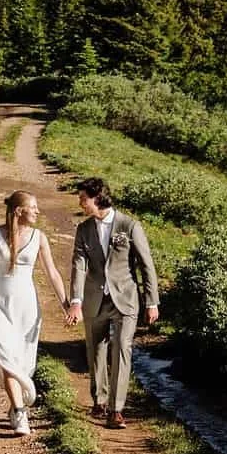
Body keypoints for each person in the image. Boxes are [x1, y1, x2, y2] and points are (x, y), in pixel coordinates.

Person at [0, 190, 67, 435]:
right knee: (6, 357)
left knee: (21, 361)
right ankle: (19, 412)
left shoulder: (39, 237)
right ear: (19, 211)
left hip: (26, 307)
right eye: (33, 207)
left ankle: (17, 403)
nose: (38, 211)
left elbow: (52, 273)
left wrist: (66, 303)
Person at [65, 177, 159, 429]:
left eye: (83, 197)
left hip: (125, 299)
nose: (80, 202)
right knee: (95, 349)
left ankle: (116, 409)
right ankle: (99, 399)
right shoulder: (83, 229)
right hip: (95, 299)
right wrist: (76, 301)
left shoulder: (129, 226)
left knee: (122, 348)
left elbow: (146, 265)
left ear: (97, 198)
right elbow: (78, 265)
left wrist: (152, 302)